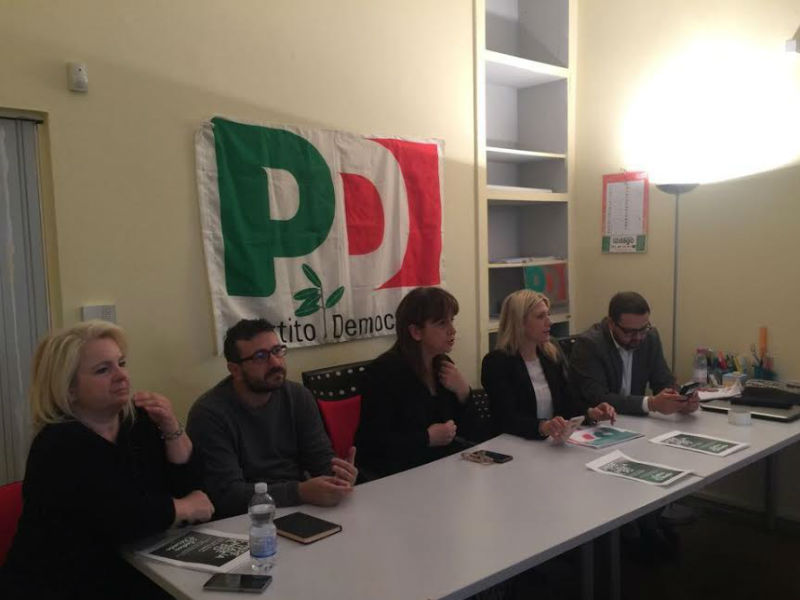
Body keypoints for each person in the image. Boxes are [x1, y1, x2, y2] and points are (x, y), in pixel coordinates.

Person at [0, 321, 213, 599]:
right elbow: (124, 518)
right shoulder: (56, 444)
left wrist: (171, 427)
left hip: (133, 571)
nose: (121, 376)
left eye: (121, 363)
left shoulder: (137, 422)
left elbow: (192, 487)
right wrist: (184, 508)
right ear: (69, 388)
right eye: (103, 370)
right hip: (61, 585)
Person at [186, 318, 357, 518]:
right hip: (243, 519)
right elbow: (227, 496)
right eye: (260, 356)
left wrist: (338, 477)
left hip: (299, 508)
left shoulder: (298, 396)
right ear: (235, 370)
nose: (275, 362)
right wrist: (299, 492)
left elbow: (320, 460)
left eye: (277, 351)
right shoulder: (209, 414)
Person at [355, 286, 477, 478]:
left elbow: (472, 431)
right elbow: (373, 446)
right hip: (400, 475)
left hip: (443, 469)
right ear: (416, 332)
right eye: (442, 323)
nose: (452, 330)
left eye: (452, 321)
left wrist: (464, 393)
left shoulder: (443, 365)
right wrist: (426, 438)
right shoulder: (382, 373)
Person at [481, 290, 616, 441]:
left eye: (548, 315)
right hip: (513, 444)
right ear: (519, 322)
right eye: (540, 317)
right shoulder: (497, 362)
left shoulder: (549, 356)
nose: (549, 322)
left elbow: (567, 403)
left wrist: (591, 413)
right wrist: (542, 427)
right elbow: (506, 418)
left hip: (549, 443)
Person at [569, 291, 699, 416]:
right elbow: (597, 398)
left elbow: (663, 381)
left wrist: (680, 400)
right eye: (629, 332)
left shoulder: (650, 338)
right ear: (611, 324)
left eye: (643, 329)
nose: (638, 337)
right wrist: (651, 404)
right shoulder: (589, 345)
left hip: (636, 421)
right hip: (601, 422)